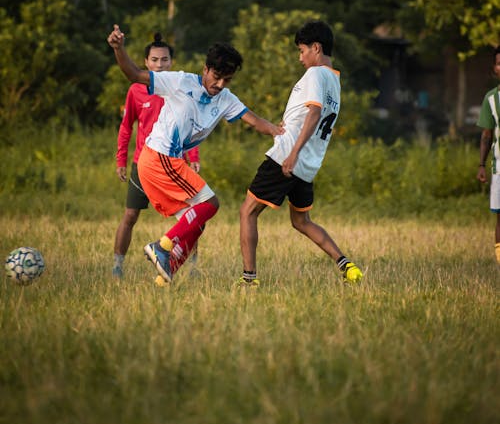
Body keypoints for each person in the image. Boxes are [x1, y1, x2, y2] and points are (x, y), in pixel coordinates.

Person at [107, 23, 284, 284]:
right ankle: (162, 246)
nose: (220, 84)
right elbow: (134, 74)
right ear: (205, 70)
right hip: (158, 158)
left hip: (169, 162)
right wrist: (119, 49)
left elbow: (254, 121)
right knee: (211, 204)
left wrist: (278, 132)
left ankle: (165, 272)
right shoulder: (180, 82)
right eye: (216, 77)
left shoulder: (226, 99)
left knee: (196, 223)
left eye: (227, 80)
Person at [239, 20, 363, 288]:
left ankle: (249, 279)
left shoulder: (316, 75)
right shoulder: (335, 81)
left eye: (302, 50)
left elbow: (314, 113)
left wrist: (292, 153)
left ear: (316, 48)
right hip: (308, 165)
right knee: (301, 220)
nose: (300, 58)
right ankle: (345, 264)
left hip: (287, 156)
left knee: (247, 212)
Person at [112, 33, 200, 279]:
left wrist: (193, 155)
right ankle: (117, 266)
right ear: (146, 62)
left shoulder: (180, 89)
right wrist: (121, 159)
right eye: (154, 60)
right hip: (143, 163)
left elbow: (191, 124)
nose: (160, 65)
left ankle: (193, 267)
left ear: (172, 62)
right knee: (130, 216)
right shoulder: (136, 90)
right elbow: (126, 126)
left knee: (191, 214)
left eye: (164, 60)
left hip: (174, 164)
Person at [476, 45, 500, 265]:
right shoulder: (492, 99)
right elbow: (486, 134)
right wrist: (481, 165)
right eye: (499, 63)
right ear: (495, 68)